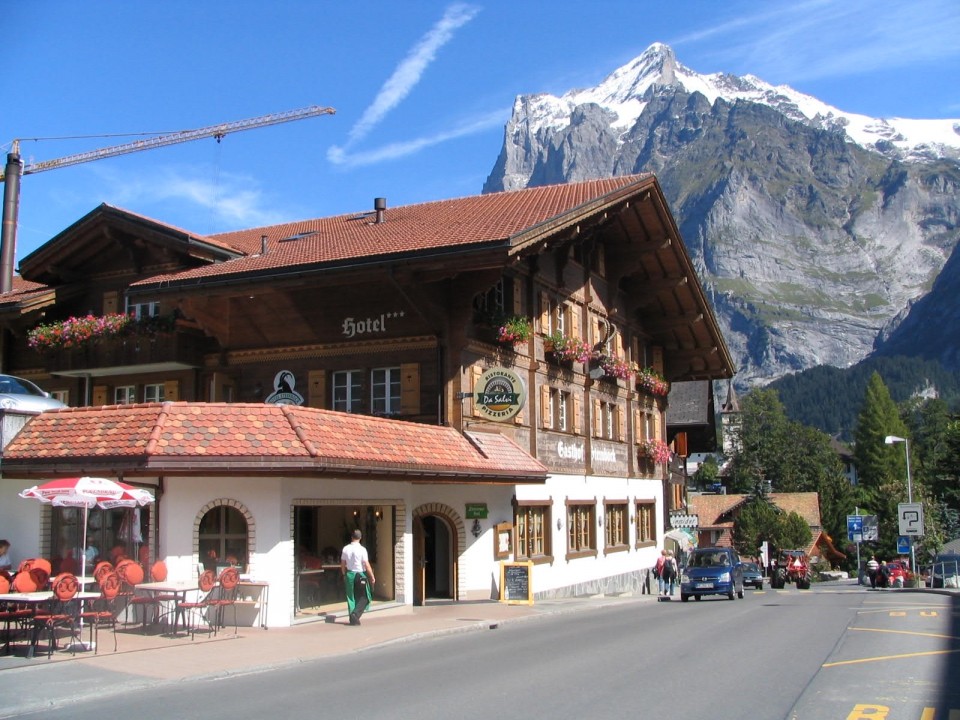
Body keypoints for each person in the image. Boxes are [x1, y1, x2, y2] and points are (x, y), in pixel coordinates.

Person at [340, 529, 375, 625]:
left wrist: (344, 574)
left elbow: (343, 563)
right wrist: (372, 576)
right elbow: (366, 564)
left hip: (349, 574)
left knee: (351, 597)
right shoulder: (362, 549)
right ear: (360, 538)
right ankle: (355, 615)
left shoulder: (345, 548)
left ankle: (353, 619)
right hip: (360, 575)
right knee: (366, 596)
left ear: (352, 537)